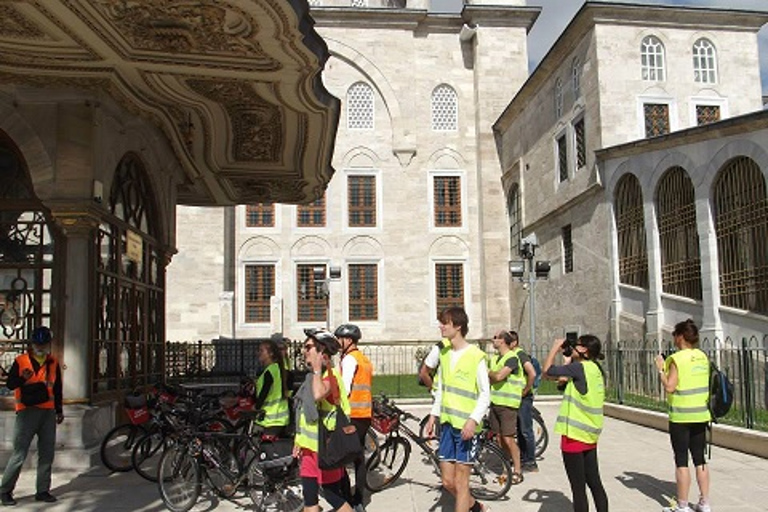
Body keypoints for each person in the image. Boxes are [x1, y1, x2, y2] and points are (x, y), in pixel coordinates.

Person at [424, 307, 491, 512]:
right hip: (447, 424)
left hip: (467, 429)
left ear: (458, 326)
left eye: (445, 323)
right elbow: (441, 389)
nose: (441, 326)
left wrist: (473, 420)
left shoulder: (476, 356)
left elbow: (485, 394)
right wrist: (433, 416)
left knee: (462, 483)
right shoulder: (444, 353)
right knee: (447, 482)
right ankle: (476, 506)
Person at [543, 335, 608, 512]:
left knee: (578, 488)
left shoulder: (578, 368)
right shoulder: (595, 368)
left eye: (577, 344)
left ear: (584, 349)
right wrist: (567, 364)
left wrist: (555, 348)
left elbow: (547, 371)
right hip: (590, 434)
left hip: (574, 436)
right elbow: (564, 384)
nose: (573, 346)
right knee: (595, 482)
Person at [1, 326, 64, 506]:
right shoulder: (21, 361)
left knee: (47, 453)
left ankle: (43, 490)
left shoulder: (53, 362)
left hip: (48, 412)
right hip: (26, 412)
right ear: (32, 344)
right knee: (19, 454)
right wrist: (23, 378)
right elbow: (11, 384)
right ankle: (5, 490)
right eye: (37, 343)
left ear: (48, 344)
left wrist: (59, 410)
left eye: (44, 344)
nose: (40, 347)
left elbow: (57, 388)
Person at [293, 329, 354, 512]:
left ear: (322, 351)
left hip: (325, 451)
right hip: (309, 450)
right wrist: (299, 440)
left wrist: (319, 368)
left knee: (332, 496)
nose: (304, 351)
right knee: (310, 501)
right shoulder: (312, 378)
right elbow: (304, 414)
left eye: (308, 347)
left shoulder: (330, 376)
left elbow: (319, 394)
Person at [654, 319, 711, 512]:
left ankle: (683, 505)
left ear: (680, 337)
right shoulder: (702, 357)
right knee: (700, 459)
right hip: (701, 414)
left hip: (681, 416)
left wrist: (661, 369)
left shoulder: (677, 359)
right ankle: (704, 502)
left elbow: (670, 386)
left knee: (681, 460)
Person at [335, 324, 373, 512]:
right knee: (358, 458)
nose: (338, 343)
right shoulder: (362, 358)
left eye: (339, 339)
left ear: (348, 340)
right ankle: (358, 498)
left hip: (352, 415)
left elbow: (345, 389)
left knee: (342, 457)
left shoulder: (350, 359)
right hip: (364, 414)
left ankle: (349, 499)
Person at [487, 330, 527, 484]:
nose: (493, 339)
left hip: (508, 405)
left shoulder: (512, 358)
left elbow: (498, 376)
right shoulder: (495, 358)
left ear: (503, 341)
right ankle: (506, 468)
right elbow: (492, 379)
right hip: (496, 402)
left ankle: (517, 471)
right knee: (499, 439)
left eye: (495, 337)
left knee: (508, 438)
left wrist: (487, 371)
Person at [512, 334, 540, 473]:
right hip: (516, 398)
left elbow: (532, 373)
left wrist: (526, 390)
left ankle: (530, 461)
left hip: (524, 398)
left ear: (514, 342)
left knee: (525, 430)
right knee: (520, 429)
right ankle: (523, 457)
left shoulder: (520, 354)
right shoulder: (512, 354)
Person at [254, 338, 290, 437]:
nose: (259, 353)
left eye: (262, 351)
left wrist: (256, 407)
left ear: (271, 354)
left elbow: (264, 393)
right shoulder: (277, 368)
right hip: (281, 417)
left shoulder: (270, 371)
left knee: (265, 448)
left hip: (271, 418)